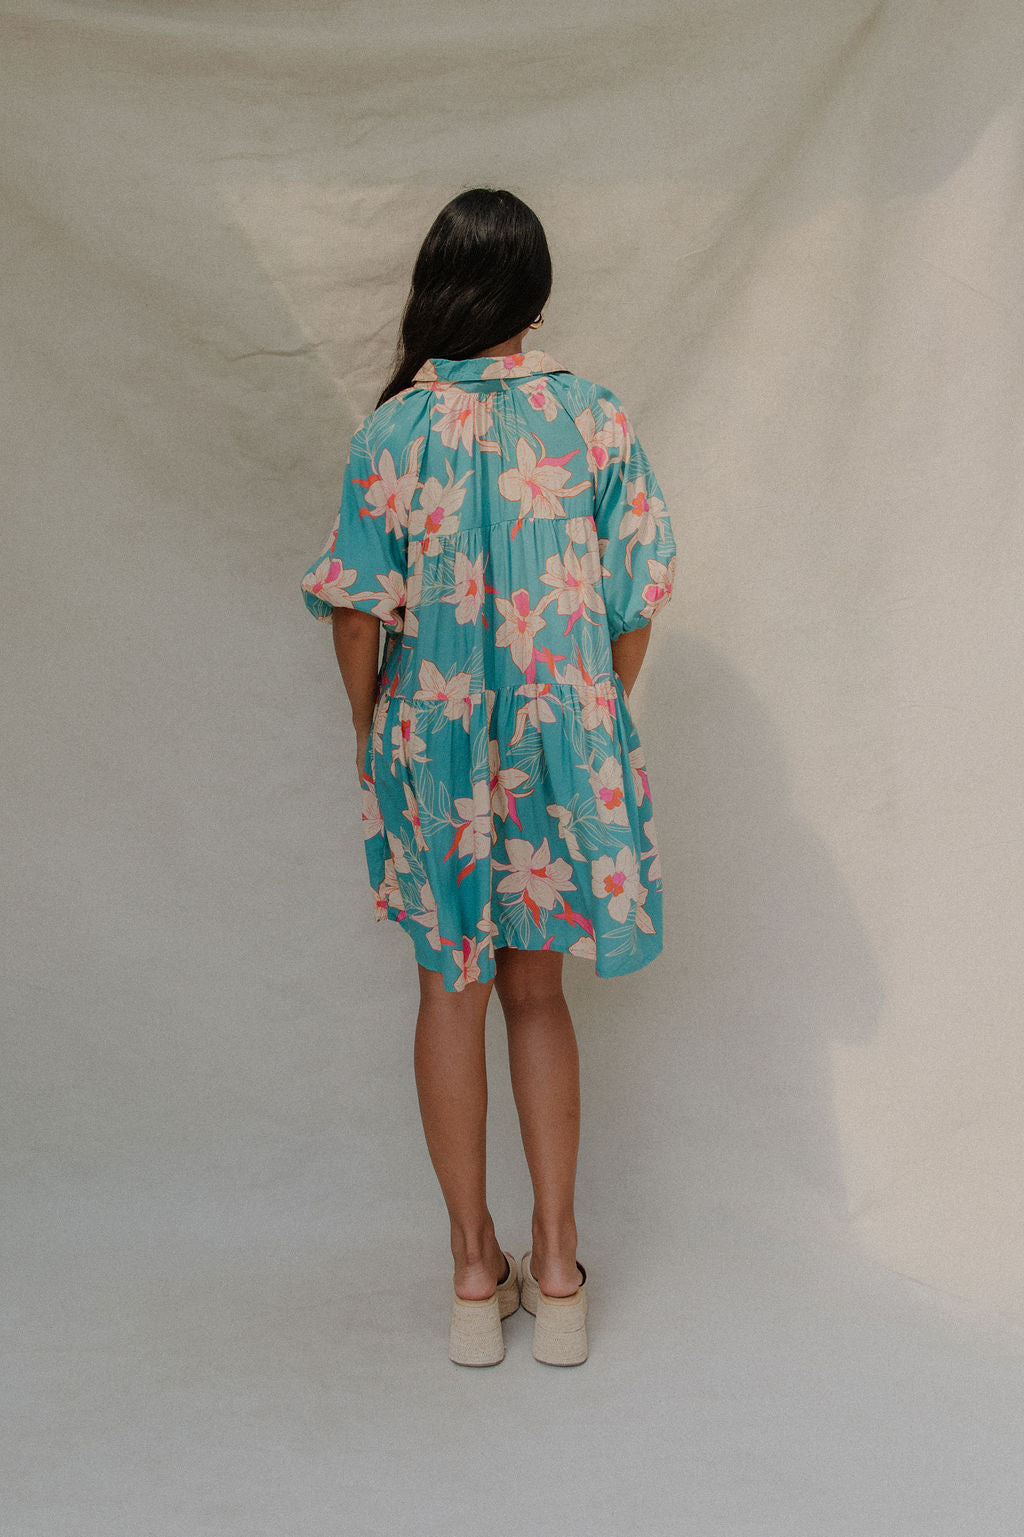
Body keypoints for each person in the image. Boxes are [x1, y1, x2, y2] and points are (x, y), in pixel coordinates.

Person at [300, 187, 676, 1367]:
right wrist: (593, 706)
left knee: (446, 993)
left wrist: (371, 733)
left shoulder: (391, 432)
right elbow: (637, 594)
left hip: (437, 746)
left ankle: (474, 1272)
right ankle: (557, 1267)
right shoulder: (594, 420)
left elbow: (357, 614)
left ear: (438, 288)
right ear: (536, 293)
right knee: (537, 993)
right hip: (562, 745)